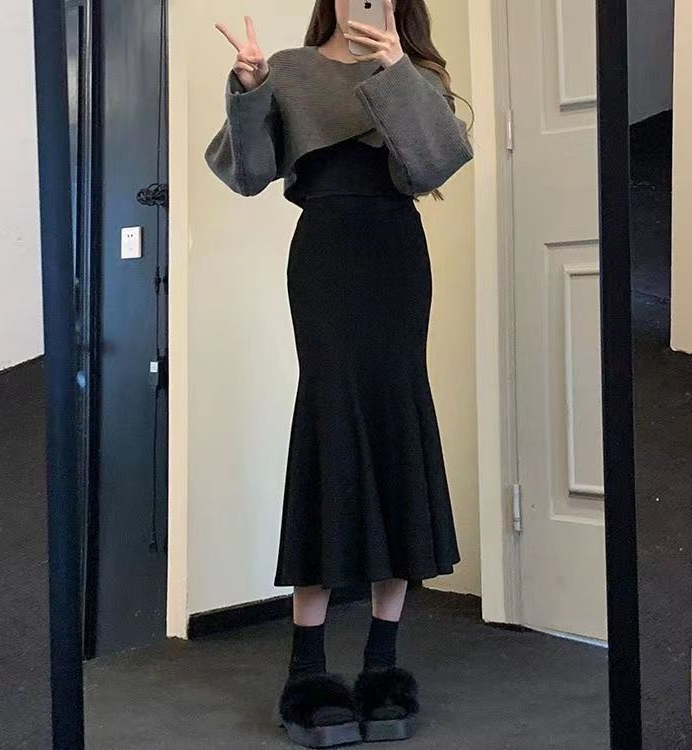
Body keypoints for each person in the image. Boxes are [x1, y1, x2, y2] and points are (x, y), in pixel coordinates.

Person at [205, 0, 473, 745]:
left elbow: (432, 166)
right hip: (325, 255)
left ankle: (383, 664)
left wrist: (396, 71)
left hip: (396, 255)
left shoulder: (415, 70)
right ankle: (307, 670)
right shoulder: (289, 71)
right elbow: (248, 174)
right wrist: (250, 88)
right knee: (329, 430)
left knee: (396, 427)